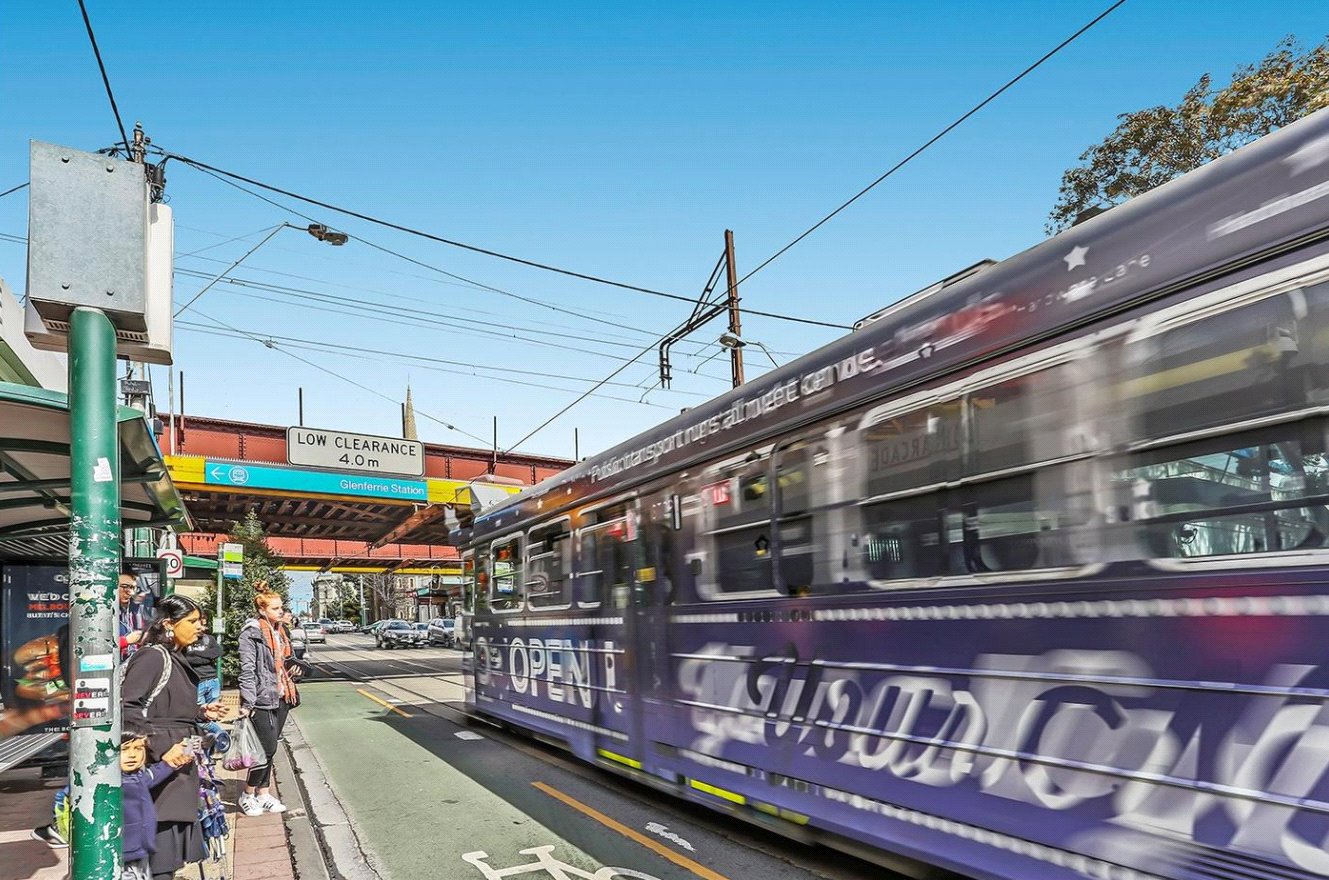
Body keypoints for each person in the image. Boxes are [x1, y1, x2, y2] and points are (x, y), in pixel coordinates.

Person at [122, 595, 226, 880]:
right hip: (162, 765)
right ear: (169, 624)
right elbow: (128, 706)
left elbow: (167, 706)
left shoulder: (175, 656)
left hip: (180, 757)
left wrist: (201, 712)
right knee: (161, 853)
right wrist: (157, 749)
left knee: (172, 852)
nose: (200, 627)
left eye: (200, 621)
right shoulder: (153, 656)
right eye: (193, 621)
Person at [237, 587, 298, 817]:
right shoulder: (251, 633)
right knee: (266, 748)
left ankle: (263, 793)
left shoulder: (280, 631)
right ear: (262, 610)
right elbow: (247, 670)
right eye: (275, 608)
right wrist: (248, 702)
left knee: (270, 750)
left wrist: (295, 668)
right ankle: (247, 794)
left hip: (281, 695)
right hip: (261, 698)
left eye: (281, 607)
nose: (281, 611)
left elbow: (285, 660)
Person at [121, 732, 193, 880]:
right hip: (122, 855)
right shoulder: (113, 784)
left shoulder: (138, 777)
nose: (132, 755)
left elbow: (155, 773)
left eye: (138, 748)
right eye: (124, 749)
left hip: (141, 851)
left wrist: (172, 761)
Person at [184, 613, 225, 749]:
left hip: (212, 681)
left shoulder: (209, 639)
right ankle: (221, 735)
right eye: (199, 624)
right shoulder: (186, 640)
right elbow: (187, 659)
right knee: (198, 718)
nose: (202, 628)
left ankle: (210, 748)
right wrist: (204, 657)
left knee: (211, 715)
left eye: (204, 625)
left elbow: (218, 652)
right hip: (197, 682)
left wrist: (196, 655)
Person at [118, 571, 149, 658]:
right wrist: (126, 641)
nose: (130, 592)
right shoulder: (105, 612)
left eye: (132, 588)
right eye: (125, 587)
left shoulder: (134, 610)